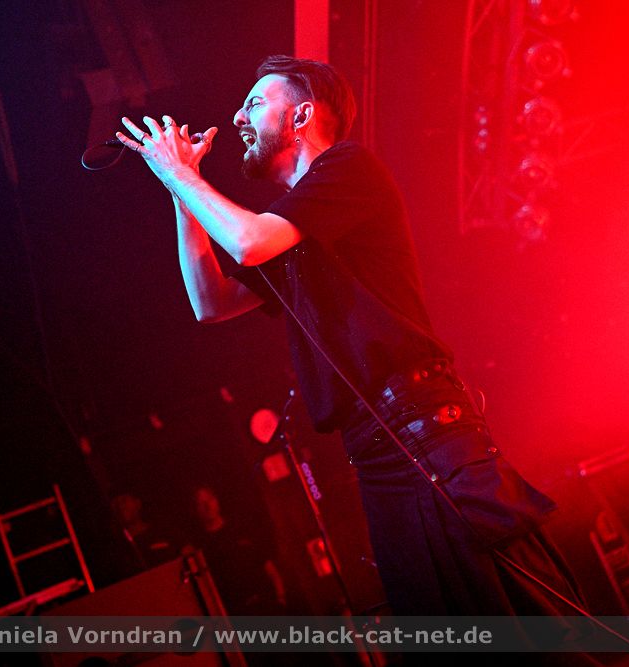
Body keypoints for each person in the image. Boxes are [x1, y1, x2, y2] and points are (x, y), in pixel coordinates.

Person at [114, 55, 594, 642]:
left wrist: (180, 173)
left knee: (520, 618)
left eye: (255, 103)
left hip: (426, 431)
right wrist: (178, 187)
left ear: (302, 116)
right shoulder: (290, 230)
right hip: (376, 451)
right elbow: (209, 302)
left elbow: (246, 242)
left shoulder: (348, 169)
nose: (238, 117)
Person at [190, 486, 286, 616]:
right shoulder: (201, 547)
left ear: (216, 500)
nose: (207, 506)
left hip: (267, 604)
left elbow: (268, 565)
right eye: (201, 504)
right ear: (196, 510)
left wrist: (280, 598)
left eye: (209, 499)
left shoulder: (240, 529)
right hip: (239, 614)